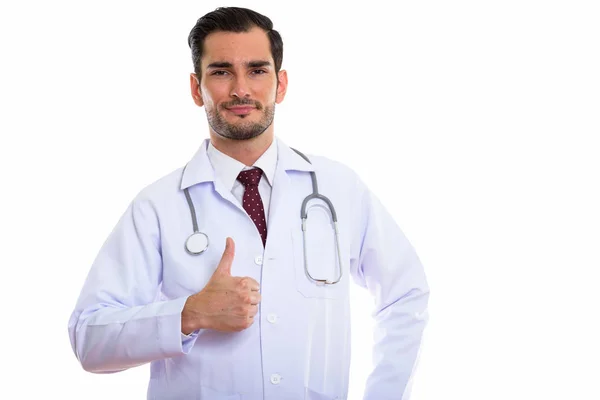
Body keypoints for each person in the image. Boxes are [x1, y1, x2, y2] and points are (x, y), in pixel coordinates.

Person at [68, 6, 429, 400]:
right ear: (195, 88)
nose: (241, 89)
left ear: (281, 84)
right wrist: (189, 314)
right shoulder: (156, 206)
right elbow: (89, 337)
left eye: (257, 70)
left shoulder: (338, 188)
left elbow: (405, 293)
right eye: (221, 71)